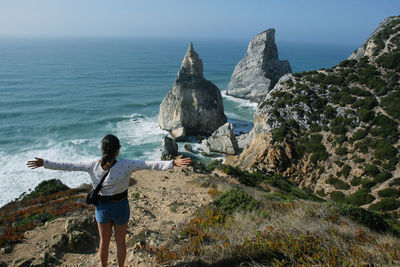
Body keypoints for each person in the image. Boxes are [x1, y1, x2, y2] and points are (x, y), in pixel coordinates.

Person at [27, 134, 191, 267]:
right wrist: (172, 163)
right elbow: (149, 164)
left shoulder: (92, 165)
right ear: (118, 150)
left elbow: (69, 165)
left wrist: (45, 163)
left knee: (104, 243)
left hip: (102, 209)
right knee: (121, 243)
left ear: (102, 149)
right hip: (120, 207)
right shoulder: (127, 164)